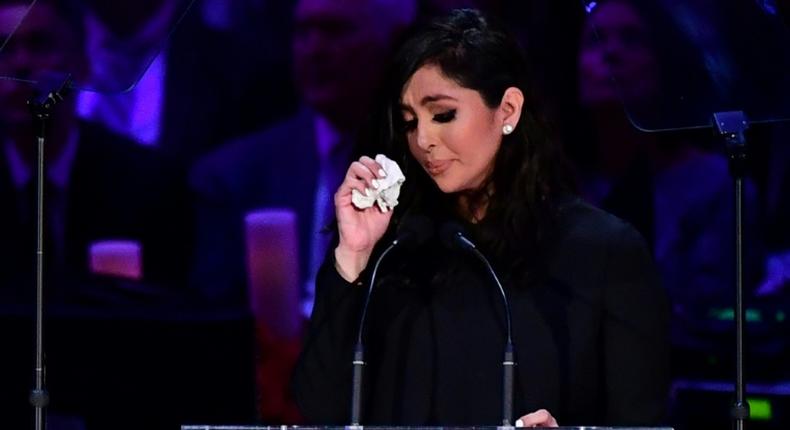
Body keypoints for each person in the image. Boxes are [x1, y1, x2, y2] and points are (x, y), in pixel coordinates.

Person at [292, 8, 669, 427]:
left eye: (443, 115)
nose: (423, 140)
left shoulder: (602, 251)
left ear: (507, 110)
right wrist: (352, 257)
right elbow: (318, 408)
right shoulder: (394, 246)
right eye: (409, 122)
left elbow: (641, 419)